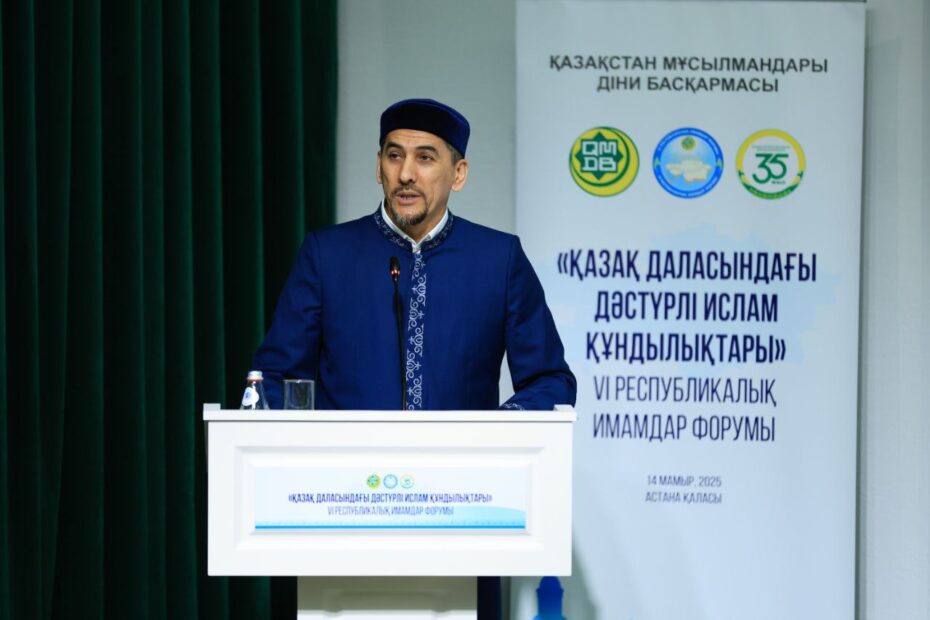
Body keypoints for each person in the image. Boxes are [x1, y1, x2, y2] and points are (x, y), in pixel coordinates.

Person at [252, 99, 576, 618]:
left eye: (425, 157)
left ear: (458, 173)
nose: (406, 174)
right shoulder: (328, 254)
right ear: (378, 166)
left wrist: (492, 436)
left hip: (464, 512)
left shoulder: (499, 259)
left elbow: (551, 382)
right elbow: (274, 377)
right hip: (341, 513)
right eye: (394, 155)